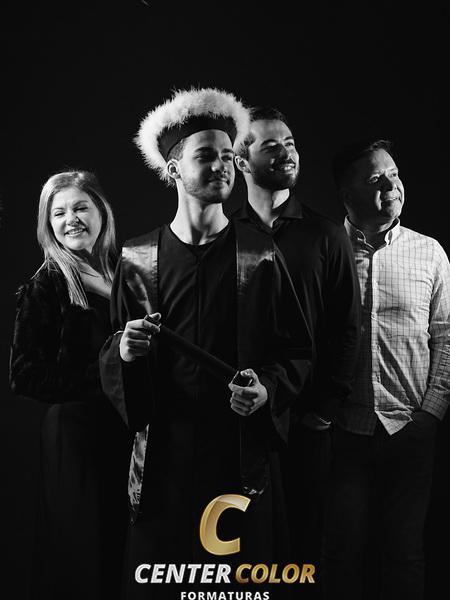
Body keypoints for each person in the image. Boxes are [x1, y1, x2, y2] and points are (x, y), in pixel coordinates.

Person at [99, 88, 312, 600]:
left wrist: (267, 388)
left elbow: (297, 353)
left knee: (236, 586)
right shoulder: (136, 259)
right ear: (173, 169)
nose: (222, 166)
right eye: (205, 155)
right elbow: (112, 351)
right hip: (162, 464)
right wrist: (124, 351)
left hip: (236, 457)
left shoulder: (261, 256)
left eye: (228, 156)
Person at [233, 106, 361, 577]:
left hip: (307, 424)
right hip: (245, 422)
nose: (287, 152)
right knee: (244, 550)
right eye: (271, 145)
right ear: (241, 161)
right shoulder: (227, 235)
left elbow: (347, 328)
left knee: (305, 553)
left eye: (290, 143)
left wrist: (322, 411)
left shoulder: (326, 235)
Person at [322, 139, 450, 600]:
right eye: (375, 179)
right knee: (340, 556)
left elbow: (447, 337)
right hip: (343, 432)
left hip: (410, 431)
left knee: (405, 556)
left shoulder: (429, 252)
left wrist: (431, 413)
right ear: (346, 194)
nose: (391, 185)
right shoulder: (326, 250)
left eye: (394, 174)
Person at [9, 171, 131, 600]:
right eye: (58, 213)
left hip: (124, 433)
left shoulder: (125, 274)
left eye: (80, 208)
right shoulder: (47, 284)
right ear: (48, 224)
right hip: (76, 436)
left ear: (102, 212)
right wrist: (106, 379)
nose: (71, 220)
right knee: (81, 556)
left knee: (119, 551)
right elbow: (24, 374)